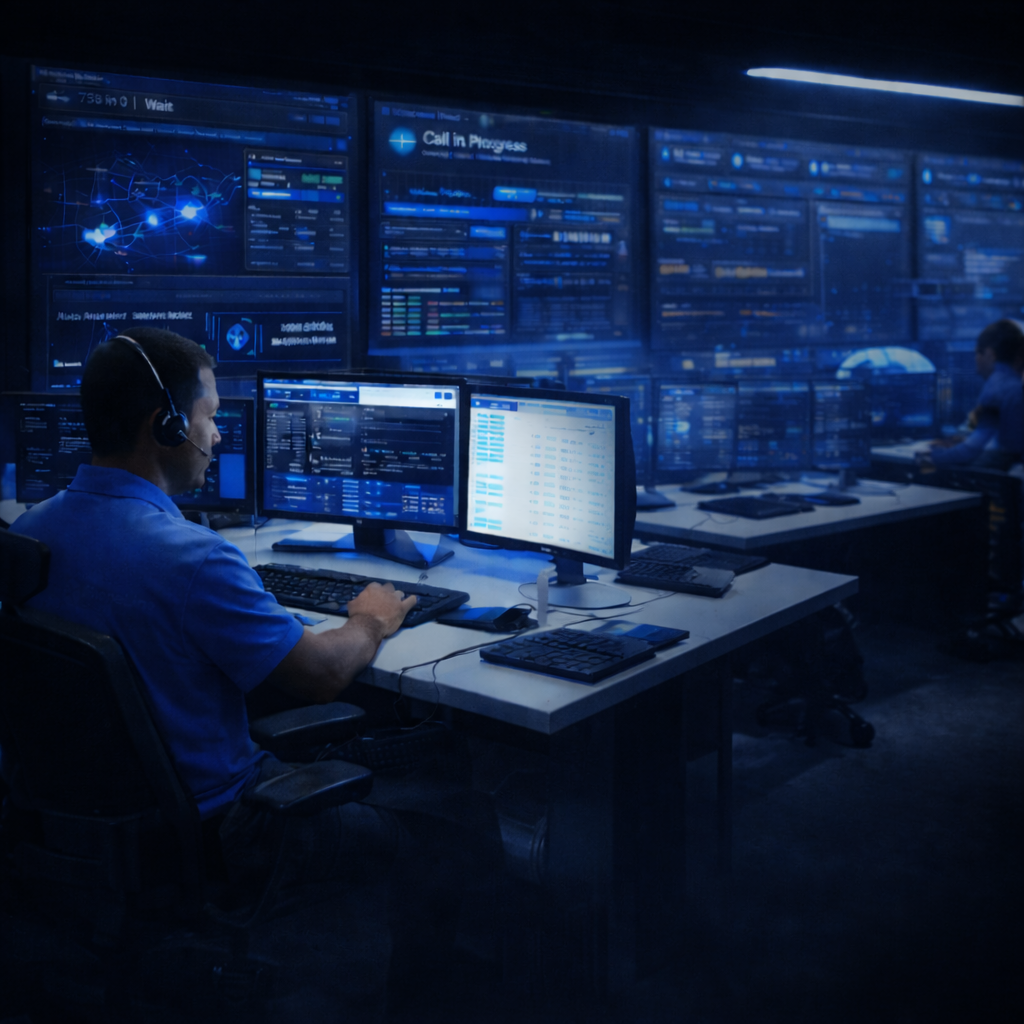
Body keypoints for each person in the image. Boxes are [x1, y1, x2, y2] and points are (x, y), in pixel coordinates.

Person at [7, 328, 498, 1020]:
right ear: (166, 425)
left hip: (82, 820)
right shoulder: (193, 559)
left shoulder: (32, 533)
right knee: (456, 822)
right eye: (208, 415)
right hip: (223, 830)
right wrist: (370, 620)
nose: (214, 435)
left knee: (415, 755)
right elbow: (321, 676)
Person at [923, 319, 1024, 470]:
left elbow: (972, 450)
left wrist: (929, 458)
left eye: (977, 353)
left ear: (990, 354)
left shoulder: (998, 387)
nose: (975, 360)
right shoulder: (1013, 385)